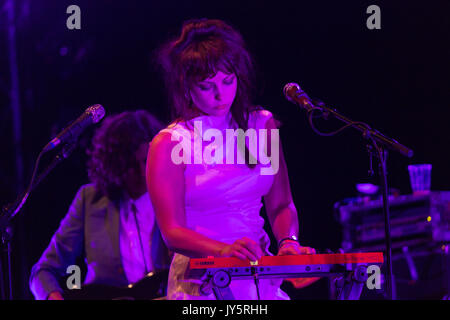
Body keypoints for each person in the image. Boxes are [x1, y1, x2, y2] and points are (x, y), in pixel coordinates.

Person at [147, 19, 318, 300]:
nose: (220, 94)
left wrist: (288, 243)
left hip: (257, 269)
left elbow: (281, 203)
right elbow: (172, 231)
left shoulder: (263, 125)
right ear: (185, 86)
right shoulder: (169, 143)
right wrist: (222, 249)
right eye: (206, 86)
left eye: (228, 81)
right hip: (201, 278)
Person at [29, 110, 170, 300]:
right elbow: (43, 271)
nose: (140, 171)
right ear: (114, 164)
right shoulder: (90, 200)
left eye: (145, 161)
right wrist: (52, 297)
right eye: (129, 164)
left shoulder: (173, 197)